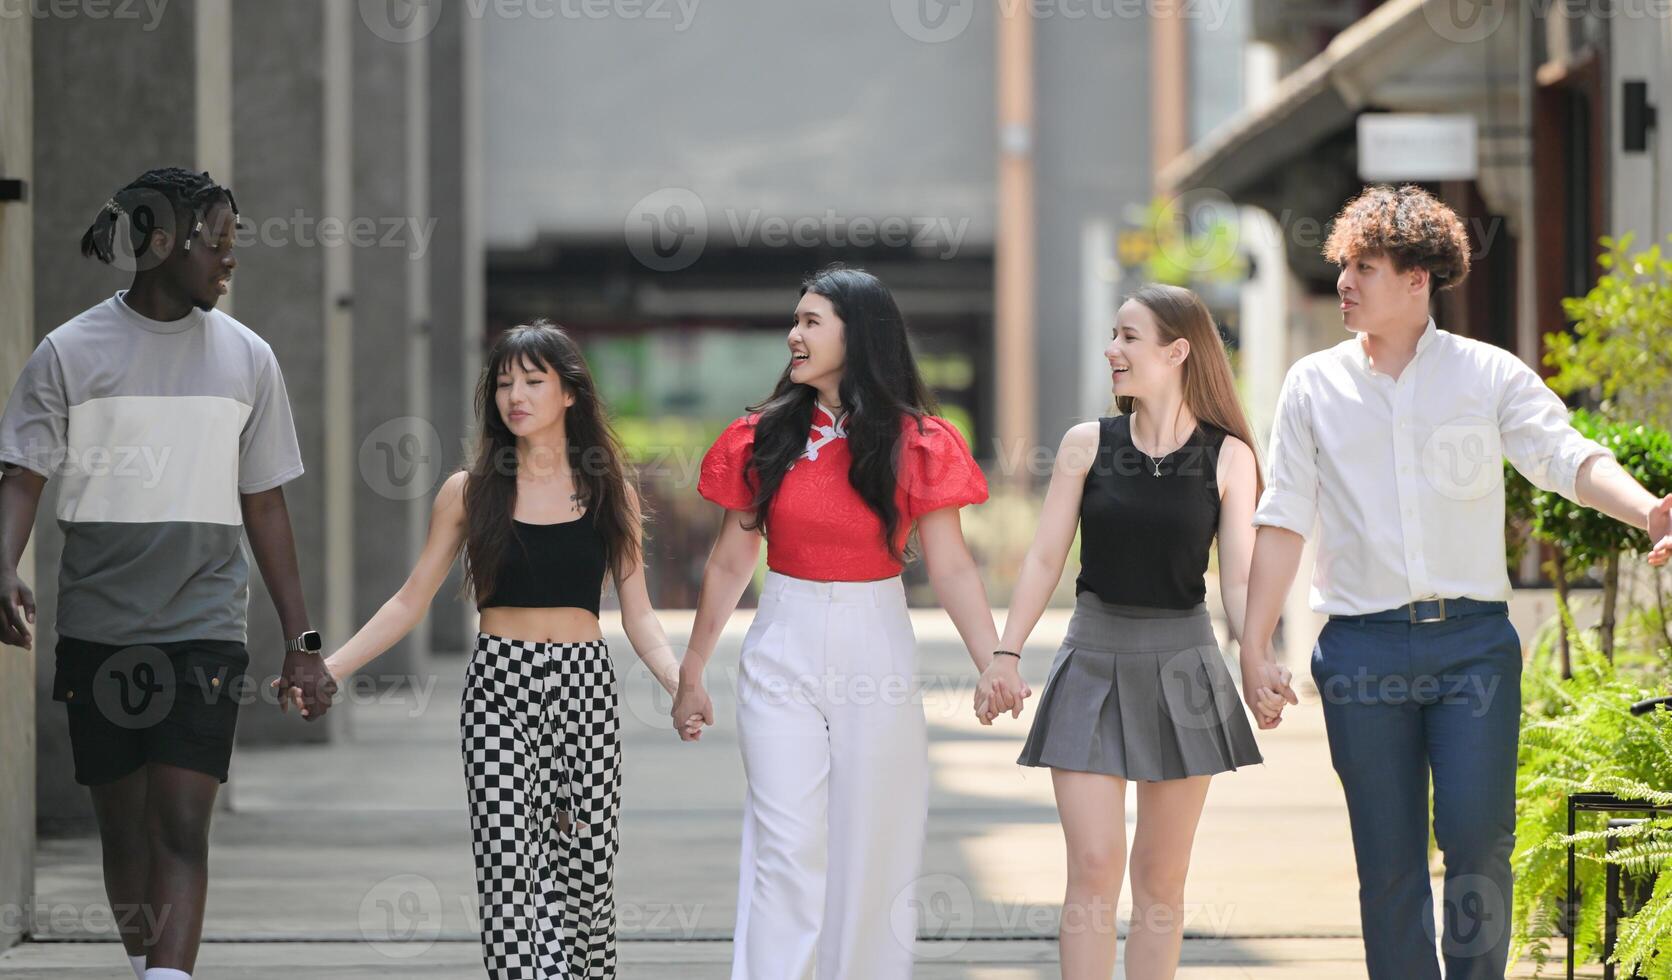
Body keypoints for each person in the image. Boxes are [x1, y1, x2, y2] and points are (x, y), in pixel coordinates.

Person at [1239, 183, 1672, 979]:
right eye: (1343, 265)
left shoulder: (1485, 375)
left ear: (1418, 279)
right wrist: (1254, 644)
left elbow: (1565, 456)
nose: (1344, 282)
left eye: (1364, 267)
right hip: (1360, 651)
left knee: (1480, 841)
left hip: (1472, 648)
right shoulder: (1312, 386)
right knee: (1389, 857)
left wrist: (1649, 512)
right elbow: (1284, 515)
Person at [0, 167, 329, 980]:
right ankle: (153, 962)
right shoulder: (69, 354)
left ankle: (169, 976)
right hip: (98, 626)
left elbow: (267, 508)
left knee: (182, 826)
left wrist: (302, 640)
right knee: (125, 832)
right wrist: (1, 565)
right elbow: (23, 475)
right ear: (158, 240)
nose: (230, 259)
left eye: (234, 243)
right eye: (217, 240)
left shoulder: (249, 359)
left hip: (204, 629)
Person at [302, 322, 691, 979]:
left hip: (585, 688)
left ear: (570, 393)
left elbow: (640, 612)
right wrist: (333, 668)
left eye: (534, 381)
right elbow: (409, 598)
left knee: (588, 866)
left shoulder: (608, 492)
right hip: (498, 689)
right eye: (505, 382)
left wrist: (683, 682)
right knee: (507, 860)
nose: (516, 395)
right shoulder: (468, 491)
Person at [672, 265, 1019, 979]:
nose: (793, 335)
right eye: (795, 321)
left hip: (876, 641)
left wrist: (996, 659)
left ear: (857, 335)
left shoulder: (919, 441)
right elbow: (732, 565)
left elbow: (951, 567)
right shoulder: (760, 438)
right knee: (786, 840)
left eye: (810, 322)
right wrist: (692, 672)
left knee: (872, 842)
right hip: (782, 643)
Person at [987, 283, 1267, 979]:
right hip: (1092, 658)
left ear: (1177, 351)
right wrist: (1004, 653)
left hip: (1186, 669)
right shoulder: (1087, 445)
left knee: (1160, 879)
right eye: (1113, 336)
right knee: (1094, 864)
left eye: (1128, 337)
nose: (1112, 350)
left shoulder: (1230, 456)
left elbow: (1238, 580)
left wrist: (1257, 656)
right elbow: (1047, 556)